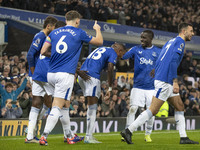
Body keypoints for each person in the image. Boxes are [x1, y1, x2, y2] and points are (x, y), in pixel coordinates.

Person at [121, 23, 199, 144]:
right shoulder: (180, 42)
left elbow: (161, 58)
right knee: (153, 110)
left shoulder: (170, 42)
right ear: (184, 31)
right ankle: (129, 130)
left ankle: (183, 137)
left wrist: (157, 71)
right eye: (191, 31)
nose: (193, 33)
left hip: (162, 78)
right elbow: (173, 61)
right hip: (165, 81)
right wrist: (175, 81)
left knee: (180, 106)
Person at [39, 10, 103, 146]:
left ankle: (69, 135)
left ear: (65, 19)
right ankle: (44, 136)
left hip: (51, 74)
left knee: (65, 105)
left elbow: (43, 51)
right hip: (65, 74)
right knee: (57, 105)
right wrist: (97, 29)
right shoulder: (79, 32)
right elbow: (99, 41)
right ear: (77, 21)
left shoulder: (54, 33)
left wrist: (57, 56)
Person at [78, 43, 126, 143]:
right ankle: (88, 137)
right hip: (91, 77)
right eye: (120, 55)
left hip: (82, 75)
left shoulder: (101, 49)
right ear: (119, 51)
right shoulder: (113, 52)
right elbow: (110, 67)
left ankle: (88, 135)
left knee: (91, 105)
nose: (119, 57)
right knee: (93, 107)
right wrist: (109, 87)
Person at [122, 30, 161, 142]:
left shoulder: (158, 52)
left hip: (151, 87)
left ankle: (147, 134)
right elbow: (123, 56)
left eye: (144, 38)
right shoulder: (135, 49)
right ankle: (127, 132)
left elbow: (164, 64)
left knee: (151, 111)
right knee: (133, 108)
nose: (142, 40)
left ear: (151, 39)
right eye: (141, 37)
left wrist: (156, 69)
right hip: (138, 86)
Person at [25, 16, 58, 143]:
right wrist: (32, 73)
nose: (55, 30)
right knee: (52, 102)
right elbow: (30, 54)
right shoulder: (40, 36)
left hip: (40, 72)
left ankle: (30, 133)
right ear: (49, 26)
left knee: (40, 103)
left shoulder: (46, 37)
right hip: (40, 73)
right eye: (54, 27)